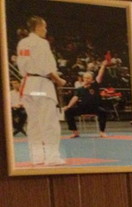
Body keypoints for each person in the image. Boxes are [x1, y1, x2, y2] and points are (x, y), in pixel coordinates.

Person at [16, 16, 66, 165]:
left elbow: (23, 65)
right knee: (49, 122)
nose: (45, 30)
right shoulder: (41, 43)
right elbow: (46, 67)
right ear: (38, 27)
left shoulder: (22, 43)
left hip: (28, 86)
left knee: (34, 123)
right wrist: (59, 80)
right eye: (44, 27)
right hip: (41, 87)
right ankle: (52, 157)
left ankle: (37, 157)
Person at [63, 59, 109, 138]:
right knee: (68, 112)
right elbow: (75, 98)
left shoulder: (95, 85)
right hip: (82, 108)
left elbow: (100, 76)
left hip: (94, 108)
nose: (87, 79)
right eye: (85, 78)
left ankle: (102, 132)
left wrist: (103, 66)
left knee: (103, 112)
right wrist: (68, 106)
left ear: (92, 79)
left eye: (88, 78)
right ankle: (75, 132)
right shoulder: (79, 89)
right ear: (83, 79)